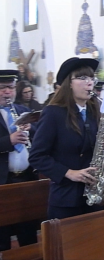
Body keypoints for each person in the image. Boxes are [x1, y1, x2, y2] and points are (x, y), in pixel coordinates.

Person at [29, 57, 104, 219]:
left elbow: (95, 149)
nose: (89, 83)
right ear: (69, 83)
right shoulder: (53, 113)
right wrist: (68, 173)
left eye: (91, 78)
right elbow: (36, 156)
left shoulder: (93, 111)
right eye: (82, 78)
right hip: (66, 198)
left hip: (92, 195)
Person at [0, 69, 38, 251]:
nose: (8, 92)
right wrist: (10, 141)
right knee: (2, 233)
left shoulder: (23, 110)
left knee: (28, 230)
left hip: (27, 178)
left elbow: (40, 139)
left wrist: (32, 129)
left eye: (11, 88)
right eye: (3, 88)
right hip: (2, 182)